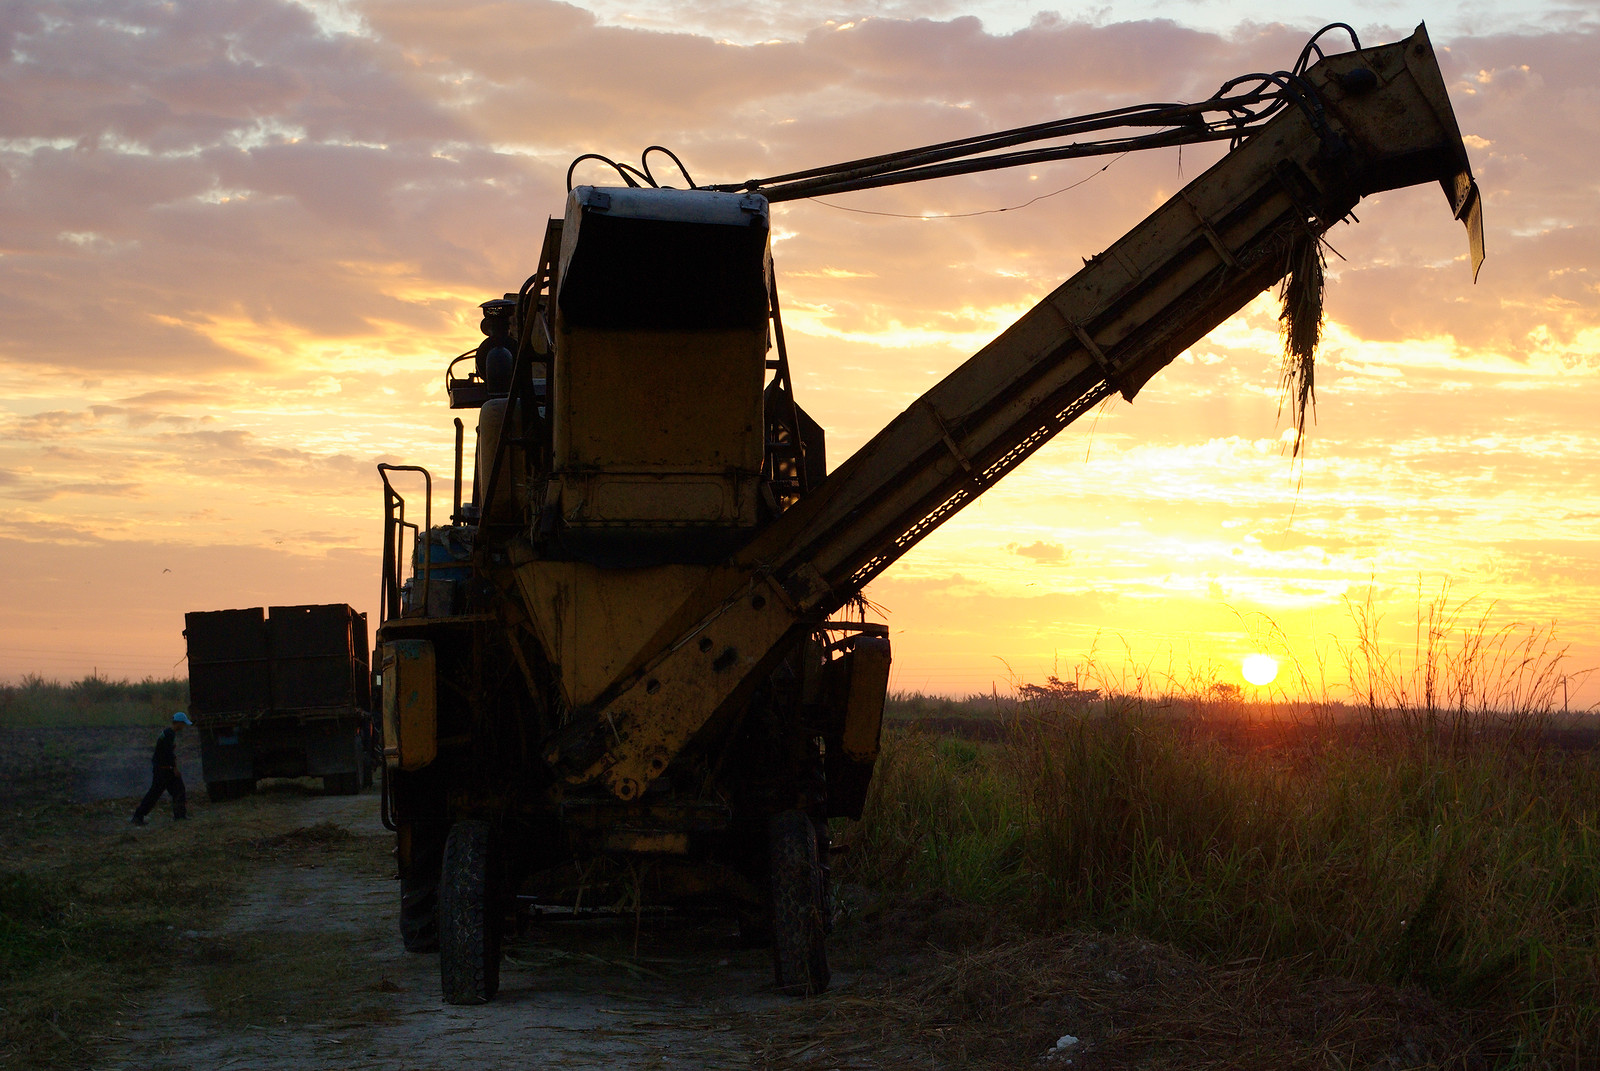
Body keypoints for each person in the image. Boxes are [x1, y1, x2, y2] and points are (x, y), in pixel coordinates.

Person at [131, 712, 191, 825]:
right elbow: (168, 753)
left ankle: (180, 816)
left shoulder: (167, 733)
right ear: (178, 723)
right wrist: (174, 768)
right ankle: (138, 816)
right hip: (164, 770)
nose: (184, 727)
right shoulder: (169, 734)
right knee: (156, 793)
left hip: (164, 768)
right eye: (183, 724)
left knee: (177, 790)